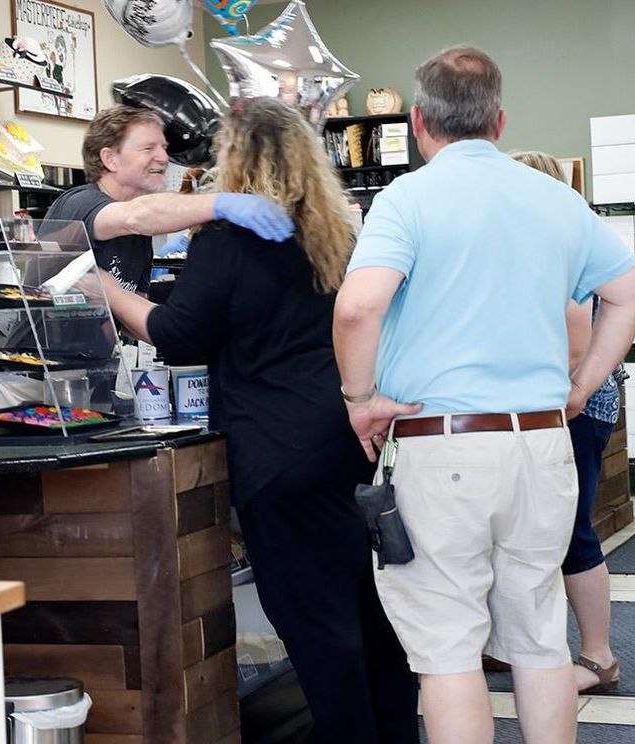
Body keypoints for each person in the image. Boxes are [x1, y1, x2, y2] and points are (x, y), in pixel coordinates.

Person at [332, 46, 635, 744]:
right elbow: (632, 291)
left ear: (417, 122)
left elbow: (358, 308)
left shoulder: (407, 198)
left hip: (440, 443)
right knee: (538, 638)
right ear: (499, 121)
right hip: (539, 442)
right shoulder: (554, 197)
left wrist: (360, 400)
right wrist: (583, 386)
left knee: (447, 652)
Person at [97, 97, 419, 743]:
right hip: (345, 438)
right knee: (368, 609)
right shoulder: (339, 232)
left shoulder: (228, 238)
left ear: (236, 160)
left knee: (314, 624)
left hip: (275, 451)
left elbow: (179, 334)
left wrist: (101, 286)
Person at [511, 150, 622, 694]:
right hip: (567, 407)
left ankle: (598, 658)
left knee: (571, 530)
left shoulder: (559, 248)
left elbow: (576, 348)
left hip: (572, 409)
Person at [43, 104, 295, 294]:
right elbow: (136, 216)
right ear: (110, 159)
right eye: (148, 148)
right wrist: (223, 203)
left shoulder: (138, 235)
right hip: (40, 360)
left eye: (163, 148)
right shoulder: (80, 204)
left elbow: (136, 306)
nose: (163, 158)